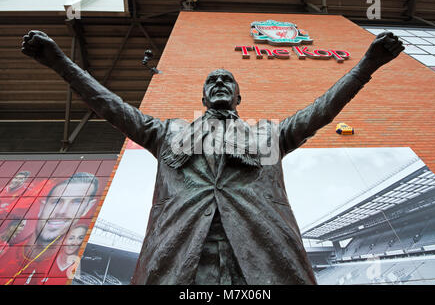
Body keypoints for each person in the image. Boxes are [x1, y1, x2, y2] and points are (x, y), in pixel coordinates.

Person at [21, 30, 404, 285]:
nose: (219, 83)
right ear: (204, 97)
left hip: (259, 257)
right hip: (181, 258)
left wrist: (367, 65)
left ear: (238, 97)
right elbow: (109, 105)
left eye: (228, 81)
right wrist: (60, 62)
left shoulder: (268, 134)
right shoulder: (167, 132)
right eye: (212, 81)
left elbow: (322, 109)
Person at [0, 172, 98, 285]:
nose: (62, 211)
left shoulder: (62, 270)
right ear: (43, 206)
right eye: (56, 201)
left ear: (87, 208)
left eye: (76, 202)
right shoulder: (8, 250)